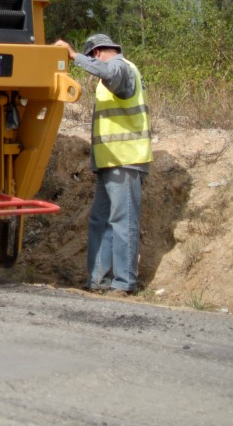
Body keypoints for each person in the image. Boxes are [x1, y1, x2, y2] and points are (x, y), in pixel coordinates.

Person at [54, 33, 151, 296]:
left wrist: (74, 56)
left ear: (97, 53)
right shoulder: (109, 77)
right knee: (100, 219)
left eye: (90, 58)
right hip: (110, 161)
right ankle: (98, 280)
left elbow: (109, 73)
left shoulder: (121, 68)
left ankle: (123, 283)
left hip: (127, 159)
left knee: (123, 220)